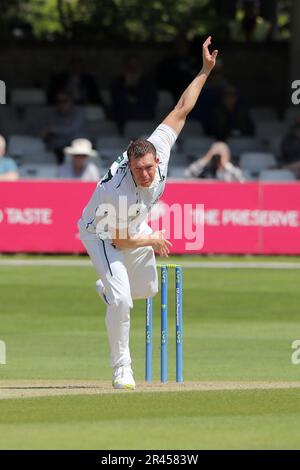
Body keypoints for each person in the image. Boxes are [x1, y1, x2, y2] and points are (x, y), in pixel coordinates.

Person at [78, 36, 218, 390]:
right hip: (102, 233)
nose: (145, 174)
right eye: (138, 169)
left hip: (135, 224)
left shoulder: (160, 148)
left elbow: (182, 108)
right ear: (129, 164)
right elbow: (120, 239)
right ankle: (122, 369)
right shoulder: (113, 190)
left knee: (149, 290)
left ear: (156, 158)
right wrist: (153, 237)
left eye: (148, 167)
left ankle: (108, 289)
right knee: (123, 300)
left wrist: (204, 70)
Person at [110, 56, 157, 135]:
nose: (133, 69)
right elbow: (116, 100)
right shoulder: (118, 82)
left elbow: (152, 100)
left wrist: (135, 98)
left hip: (144, 117)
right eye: (130, 67)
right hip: (123, 119)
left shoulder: (148, 82)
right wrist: (127, 86)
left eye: (136, 66)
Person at [41, 91, 87, 164]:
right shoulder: (53, 114)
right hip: (59, 150)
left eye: (65, 101)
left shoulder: (79, 112)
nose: (61, 104)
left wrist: (51, 129)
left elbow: (71, 129)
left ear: (71, 101)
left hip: (78, 149)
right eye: (58, 102)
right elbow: (44, 134)